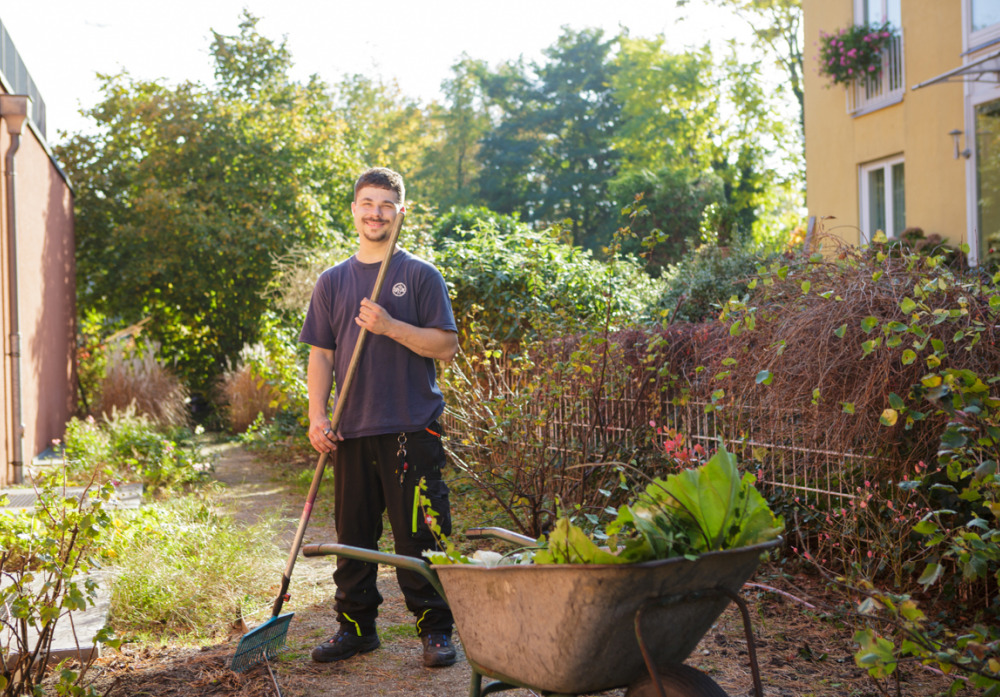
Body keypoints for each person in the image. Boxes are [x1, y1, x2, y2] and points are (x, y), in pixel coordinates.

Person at [299, 167, 460, 668]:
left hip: (412, 425)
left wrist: (390, 326)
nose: (376, 213)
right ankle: (355, 629)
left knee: (421, 534)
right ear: (354, 209)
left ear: (400, 213)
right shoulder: (333, 281)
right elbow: (321, 355)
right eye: (367, 203)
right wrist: (316, 416)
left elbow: (446, 347)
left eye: (386, 204)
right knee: (353, 537)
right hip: (350, 428)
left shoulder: (418, 275)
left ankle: (435, 631)